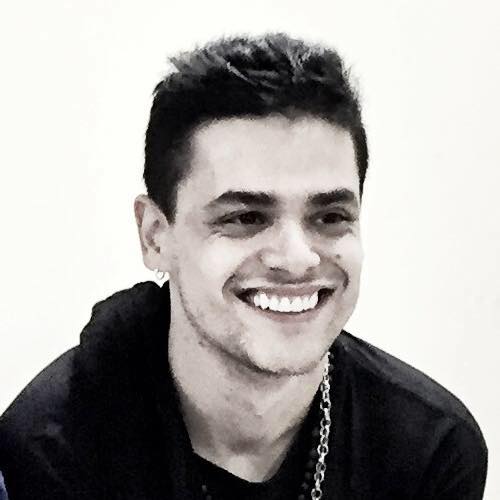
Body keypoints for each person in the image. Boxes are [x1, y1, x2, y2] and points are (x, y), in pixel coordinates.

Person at [0, 33, 488, 499]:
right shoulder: (56, 446)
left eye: (330, 217)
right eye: (245, 218)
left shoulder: (427, 450)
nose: (297, 258)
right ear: (154, 236)